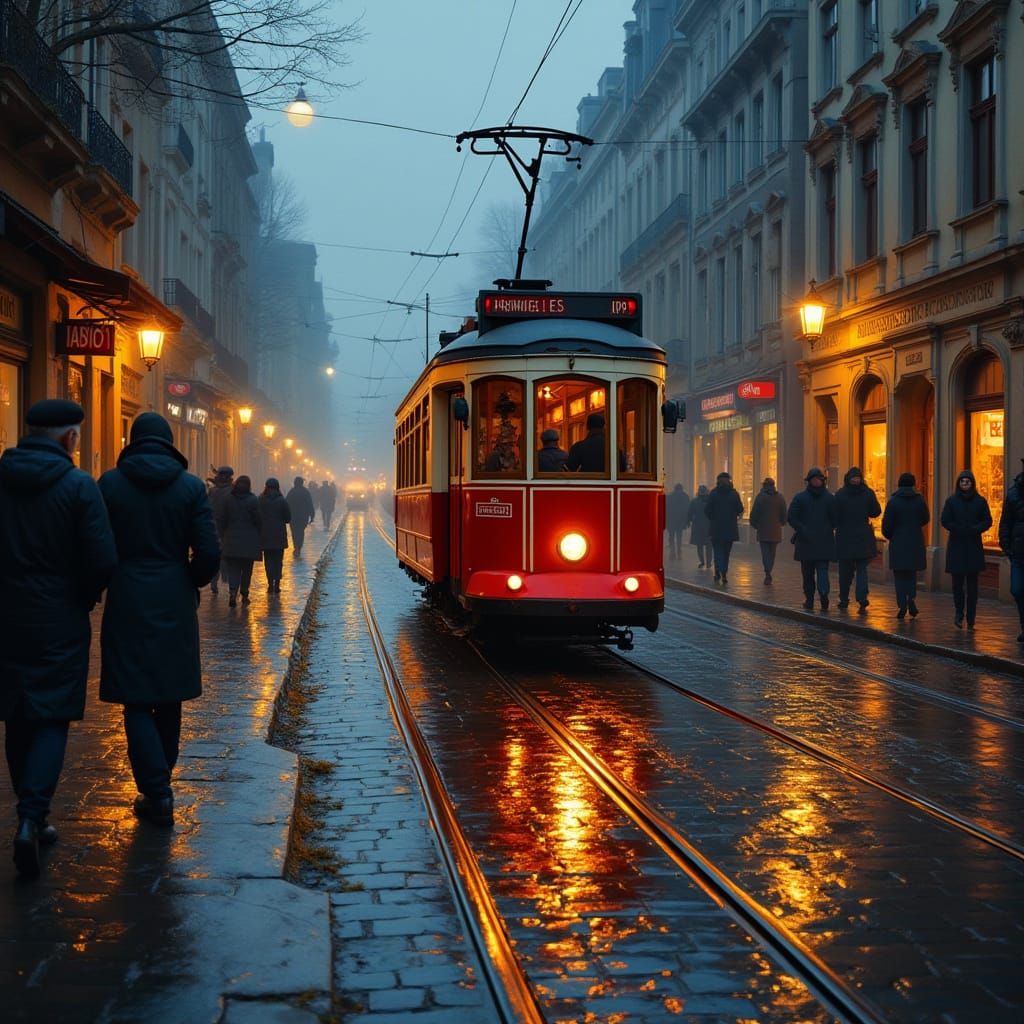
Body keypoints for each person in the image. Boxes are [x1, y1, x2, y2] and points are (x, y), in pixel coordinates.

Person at [0, 400, 117, 876]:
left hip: (5, 615)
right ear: (70, 438)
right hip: (58, 618)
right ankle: (32, 818)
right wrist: (83, 598)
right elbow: (103, 558)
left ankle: (30, 818)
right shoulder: (78, 486)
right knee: (51, 715)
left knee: (15, 713)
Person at [98, 412, 220, 828]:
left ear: (133, 440)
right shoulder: (189, 488)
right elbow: (208, 552)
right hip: (173, 596)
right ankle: (160, 782)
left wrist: (108, 580)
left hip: (128, 596)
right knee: (169, 695)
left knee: (135, 697)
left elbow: (96, 546)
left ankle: (155, 789)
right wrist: (189, 580)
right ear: (169, 442)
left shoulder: (110, 484)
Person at [941, 470, 992, 630]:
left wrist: (975, 529)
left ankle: (971, 617)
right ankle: (958, 613)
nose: (965, 484)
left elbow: (987, 520)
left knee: (972, 585)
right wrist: (957, 528)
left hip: (973, 546)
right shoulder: (951, 501)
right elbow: (945, 520)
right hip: (956, 545)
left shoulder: (980, 501)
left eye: (967, 482)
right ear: (959, 484)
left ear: (972, 483)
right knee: (957, 585)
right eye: (962, 482)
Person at [882, 471, 930, 619]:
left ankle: (902, 603)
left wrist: (892, 535)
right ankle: (911, 598)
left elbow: (886, 525)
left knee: (899, 575)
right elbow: (926, 518)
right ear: (913, 484)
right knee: (911, 574)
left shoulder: (893, 501)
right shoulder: (919, 500)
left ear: (899, 484)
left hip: (898, 542)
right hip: (915, 540)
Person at [833, 467, 882, 613]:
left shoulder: (840, 495)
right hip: (863, 537)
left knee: (845, 572)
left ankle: (843, 599)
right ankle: (862, 598)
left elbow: (834, 517)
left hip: (845, 537)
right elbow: (876, 512)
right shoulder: (867, 493)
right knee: (862, 570)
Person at [787, 467, 836, 610]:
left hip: (806, 542)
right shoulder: (829, 498)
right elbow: (835, 519)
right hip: (820, 541)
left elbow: (791, 518)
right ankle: (821, 597)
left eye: (818, 479)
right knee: (818, 571)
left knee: (811, 573)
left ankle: (813, 599)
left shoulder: (800, 497)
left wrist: (802, 529)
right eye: (815, 479)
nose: (816, 481)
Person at [217, 475, 262, 607]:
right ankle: (244, 593)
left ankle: (232, 592)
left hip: (231, 540)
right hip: (249, 541)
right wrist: (258, 534)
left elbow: (222, 519)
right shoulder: (253, 500)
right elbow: (258, 520)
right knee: (247, 569)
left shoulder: (228, 499)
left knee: (234, 569)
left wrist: (222, 534)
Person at [999, 458, 1024, 643]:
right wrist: (1006, 546)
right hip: (1018, 551)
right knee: (1016, 589)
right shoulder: (1014, 493)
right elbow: (1005, 521)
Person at [704, 471, 744, 584]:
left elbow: (707, 510)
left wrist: (713, 518)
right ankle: (724, 572)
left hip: (716, 528)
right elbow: (740, 509)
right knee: (726, 552)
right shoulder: (734, 494)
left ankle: (717, 571)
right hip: (730, 528)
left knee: (717, 551)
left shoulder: (713, 493)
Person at [749, 477, 787, 584]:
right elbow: (784, 513)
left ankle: (767, 572)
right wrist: (782, 523)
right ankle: (769, 570)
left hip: (763, 529)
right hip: (775, 530)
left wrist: (755, 524)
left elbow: (754, 513)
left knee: (765, 552)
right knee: (772, 553)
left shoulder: (760, 497)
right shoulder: (780, 497)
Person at [260, 478, 292, 592]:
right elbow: (288, 518)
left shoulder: (261, 500)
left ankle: (270, 584)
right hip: (279, 536)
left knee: (268, 561)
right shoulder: (282, 500)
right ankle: (277, 584)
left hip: (265, 535)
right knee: (278, 561)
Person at [206, 466, 233, 595]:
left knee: (217, 553)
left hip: (215, 526)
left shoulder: (212, 491)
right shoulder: (232, 490)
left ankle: (214, 580)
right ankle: (223, 575)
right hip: (227, 527)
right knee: (225, 553)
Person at [286, 476, 316, 555]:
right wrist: (312, 515)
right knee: (301, 532)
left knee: (294, 532)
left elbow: (286, 504)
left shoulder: (291, 492)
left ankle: (296, 547)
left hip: (293, 517)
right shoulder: (305, 492)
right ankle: (299, 547)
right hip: (303, 517)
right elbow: (310, 504)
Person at [688, 485, 712, 568]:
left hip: (697, 525)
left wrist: (690, 520)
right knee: (709, 545)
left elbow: (690, 513)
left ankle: (702, 561)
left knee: (699, 545)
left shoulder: (694, 501)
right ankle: (709, 562)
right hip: (709, 525)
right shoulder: (710, 501)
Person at [665, 483, 691, 560]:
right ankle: (679, 551)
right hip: (680, 520)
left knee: (671, 536)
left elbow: (666, 509)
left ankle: (672, 551)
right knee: (679, 536)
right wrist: (687, 521)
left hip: (671, 520)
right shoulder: (685, 497)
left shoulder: (669, 496)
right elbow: (687, 510)